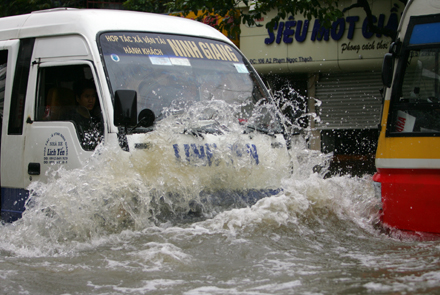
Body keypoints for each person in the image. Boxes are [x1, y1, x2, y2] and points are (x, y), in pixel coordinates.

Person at [64, 79, 103, 150]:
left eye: (93, 96)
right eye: (87, 96)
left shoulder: (97, 119)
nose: (91, 100)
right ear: (78, 98)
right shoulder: (71, 119)